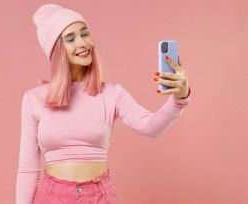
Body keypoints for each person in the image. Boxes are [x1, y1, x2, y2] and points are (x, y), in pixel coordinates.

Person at [16, 3, 191, 204]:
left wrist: (179, 98)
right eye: (70, 39)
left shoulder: (112, 94)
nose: (82, 43)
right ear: (55, 49)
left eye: (85, 34)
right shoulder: (33, 99)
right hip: (51, 197)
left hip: (99, 197)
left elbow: (151, 127)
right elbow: (28, 169)